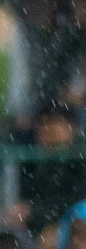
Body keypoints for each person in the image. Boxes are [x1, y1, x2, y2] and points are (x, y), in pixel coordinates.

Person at [7, 101, 86, 238]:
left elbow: (77, 204)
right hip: (37, 234)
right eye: (42, 124)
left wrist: (34, 212)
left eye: (54, 122)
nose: (47, 130)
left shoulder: (80, 159)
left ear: (72, 127)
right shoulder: (35, 162)